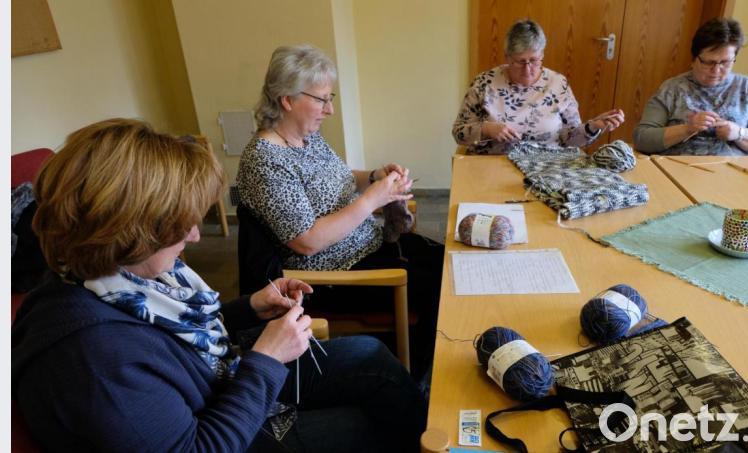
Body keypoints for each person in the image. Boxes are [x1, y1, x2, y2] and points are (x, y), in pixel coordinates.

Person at [11, 119, 426, 453]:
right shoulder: (94, 363)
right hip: (225, 430)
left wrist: (249, 308)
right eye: (181, 225)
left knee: (370, 355)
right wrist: (267, 359)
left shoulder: (117, 278)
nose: (195, 236)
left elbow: (168, 339)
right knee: (370, 426)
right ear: (127, 233)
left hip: (222, 383)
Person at [236, 45, 443, 381]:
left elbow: (342, 179)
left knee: (449, 264)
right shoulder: (265, 161)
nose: (330, 109)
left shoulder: (307, 138)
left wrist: (373, 177)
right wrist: (372, 200)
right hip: (332, 275)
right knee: (439, 288)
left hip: (368, 246)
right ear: (287, 100)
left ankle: (424, 358)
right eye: (322, 99)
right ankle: (415, 374)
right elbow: (307, 241)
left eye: (329, 98)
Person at [452, 19, 625, 155]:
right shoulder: (484, 83)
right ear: (507, 57)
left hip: (546, 167)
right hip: (494, 164)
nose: (528, 69)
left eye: (534, 60)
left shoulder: (558, 84)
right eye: (520, 62)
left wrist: (595, 125)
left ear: (542, 54)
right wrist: (486, 129)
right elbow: (458, 132)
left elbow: (571, 138)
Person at [633, 17, 748, 156]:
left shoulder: (747, 87)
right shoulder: (672, 88)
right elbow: (641, 139)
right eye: (709, 62)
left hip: (732, 167)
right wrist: (687, 129)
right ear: (694, 59)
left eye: (725, 62)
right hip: (680, 166)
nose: (716, 70)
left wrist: (740, 133)